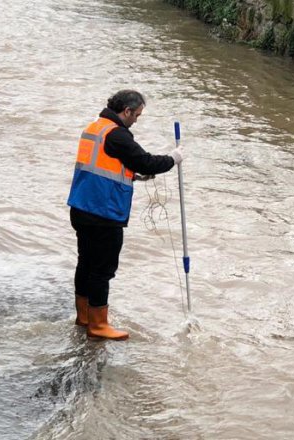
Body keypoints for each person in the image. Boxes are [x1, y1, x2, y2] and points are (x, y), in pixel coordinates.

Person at [67, 90, 184, 340]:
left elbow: (103, 164)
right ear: (127, 111)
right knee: (102, 269)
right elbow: (145, 161)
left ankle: (84, 316)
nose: (137, 120)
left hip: (81, 207)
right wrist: (173, 159)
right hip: (103, 213)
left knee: (85, 263)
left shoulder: (95, 127)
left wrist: (133, 175)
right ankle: (98, 326)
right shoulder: (117, 134)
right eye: (137, 115)